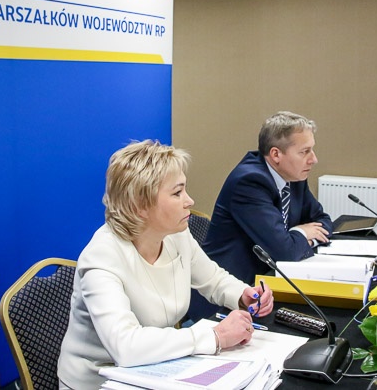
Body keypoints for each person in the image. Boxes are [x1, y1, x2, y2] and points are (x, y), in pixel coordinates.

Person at [57, 141, 274, 389]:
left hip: (156, 369)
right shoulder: (102, 257)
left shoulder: (175, 234)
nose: (189, 200)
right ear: (139, 205)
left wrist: (243, 295)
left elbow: (213, 279)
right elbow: (125, 346)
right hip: (101, 381)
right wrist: (215, 336)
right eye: (177, 193)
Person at [203, 111, 332, 285]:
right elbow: (285, 252)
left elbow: (323, 221)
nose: (313, 159)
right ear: (276, 154)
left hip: (269, 279)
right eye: (304, 152)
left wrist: (298, 241)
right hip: (231, 288)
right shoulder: (249, 183)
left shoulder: (293, 176)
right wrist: (302, 233)